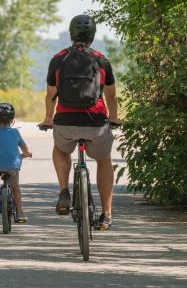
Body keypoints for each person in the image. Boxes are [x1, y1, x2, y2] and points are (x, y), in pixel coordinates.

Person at [38, 14, 120, 231]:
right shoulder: (101, 60)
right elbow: (111, 97)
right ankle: (106, 214)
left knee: (60, 149)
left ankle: (64, 189)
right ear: (93, 35)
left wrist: (48, 119)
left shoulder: (58, 59)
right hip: (96, 122)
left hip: (66, 121)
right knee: (104, 159)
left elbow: (50, 95)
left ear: (71, 34)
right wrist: (114, 117)